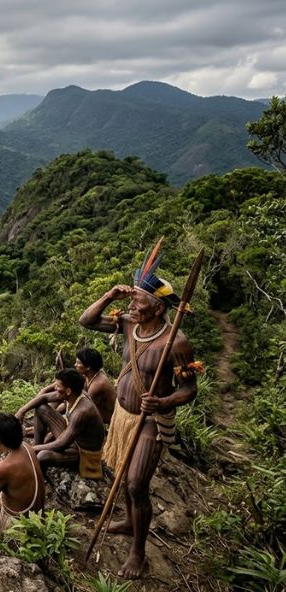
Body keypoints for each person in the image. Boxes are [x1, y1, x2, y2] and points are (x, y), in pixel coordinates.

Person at [78, 247, 197, 579]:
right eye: (131, 300)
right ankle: (131, 522)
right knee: (122, 473)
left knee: (135, 484)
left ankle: (138, 553)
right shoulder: (129, 324)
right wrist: (110, 294)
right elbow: (87, 321)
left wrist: (163, 402)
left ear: (158, 308)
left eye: (138, 301)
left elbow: (190, 390)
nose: (131, 306)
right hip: (123, 415)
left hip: (151, 421)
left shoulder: (176, 343)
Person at [15, 368, 106, 478]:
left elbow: (61, 444)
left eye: (58, 387)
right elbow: (43, 398)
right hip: (72, 436)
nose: (55, 388)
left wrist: (32, 449)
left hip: (82, 453)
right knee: (41, 409)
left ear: (68, 391)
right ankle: (35, 450)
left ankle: (39, 477)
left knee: (43, 456)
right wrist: (22, 411)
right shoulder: (74, 394)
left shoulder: (82, 412)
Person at [74, 346, 117, 425]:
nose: (75, 365)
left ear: (88, 367)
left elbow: (81, 406)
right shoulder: (88, 376)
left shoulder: (98, 384)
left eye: (78, 363)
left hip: (111, 421)